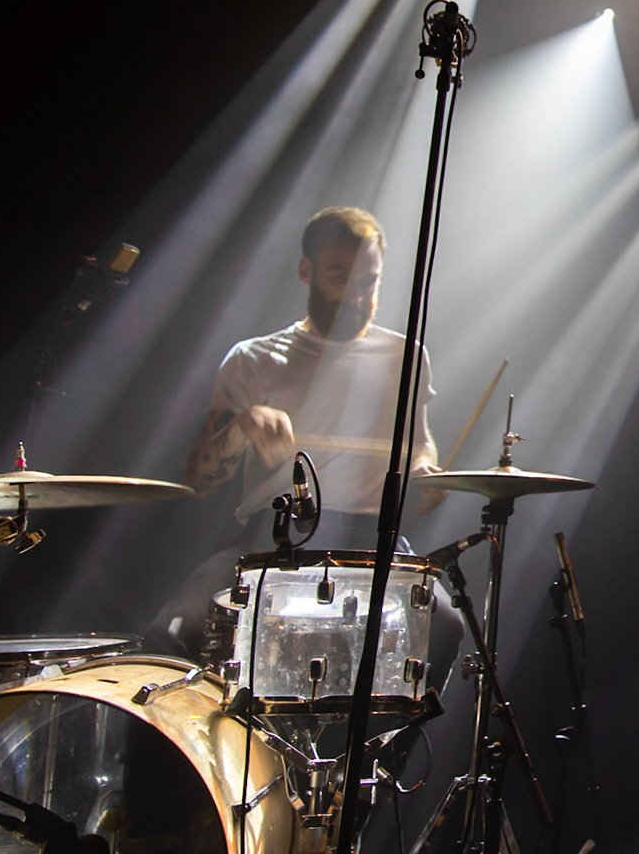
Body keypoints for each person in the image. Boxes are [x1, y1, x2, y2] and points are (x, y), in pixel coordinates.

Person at [149, 205, 454, 664]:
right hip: (275, 536)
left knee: (445, 626)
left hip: (374, 539)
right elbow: (200, 481)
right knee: (175, 631)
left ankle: (385, 719)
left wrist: (426, 469)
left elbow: (420, 442)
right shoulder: (253, 359)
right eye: (339, 277)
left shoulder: (406, 356)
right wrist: (241, 430)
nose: (356, 296)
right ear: (306, 271)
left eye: (368, 282)